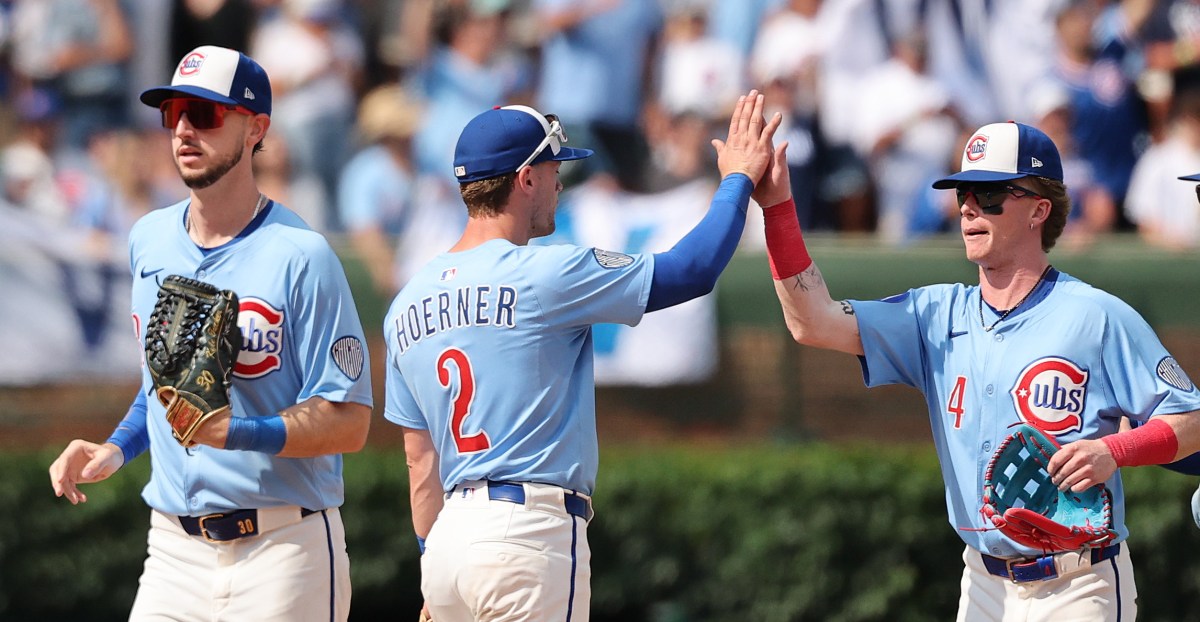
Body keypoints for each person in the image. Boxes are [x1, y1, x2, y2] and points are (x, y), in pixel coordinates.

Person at [757, 120, 1200, 620]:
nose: (968, 206)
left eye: (991, 194)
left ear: (1039, 209)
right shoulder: (935, 315)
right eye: (964, 192)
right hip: (983, 585)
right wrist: (777, 208)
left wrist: (1113, 450)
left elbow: (1193, 422)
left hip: (1077, 584)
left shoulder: (1097, 316)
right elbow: (811, 321)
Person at [384, 90, 780, 621]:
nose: (559, 182)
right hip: (527, 534)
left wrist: (434, 564)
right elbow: (693, 269)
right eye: (552, 169)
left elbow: (420, 461)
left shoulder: (406, 302)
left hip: (449, 543)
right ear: (525, 178)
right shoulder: (545, 271)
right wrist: (738, 179)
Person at [47, 45, 372, 621]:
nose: (185, 130)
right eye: (174, 114)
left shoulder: (302, 256)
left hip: (283, 548)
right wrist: (116, 449)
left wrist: (237, 432)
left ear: (256, 128)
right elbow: (163, 389)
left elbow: (349, 421)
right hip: (172, 550)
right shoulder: (148, 240)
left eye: (207, 114)